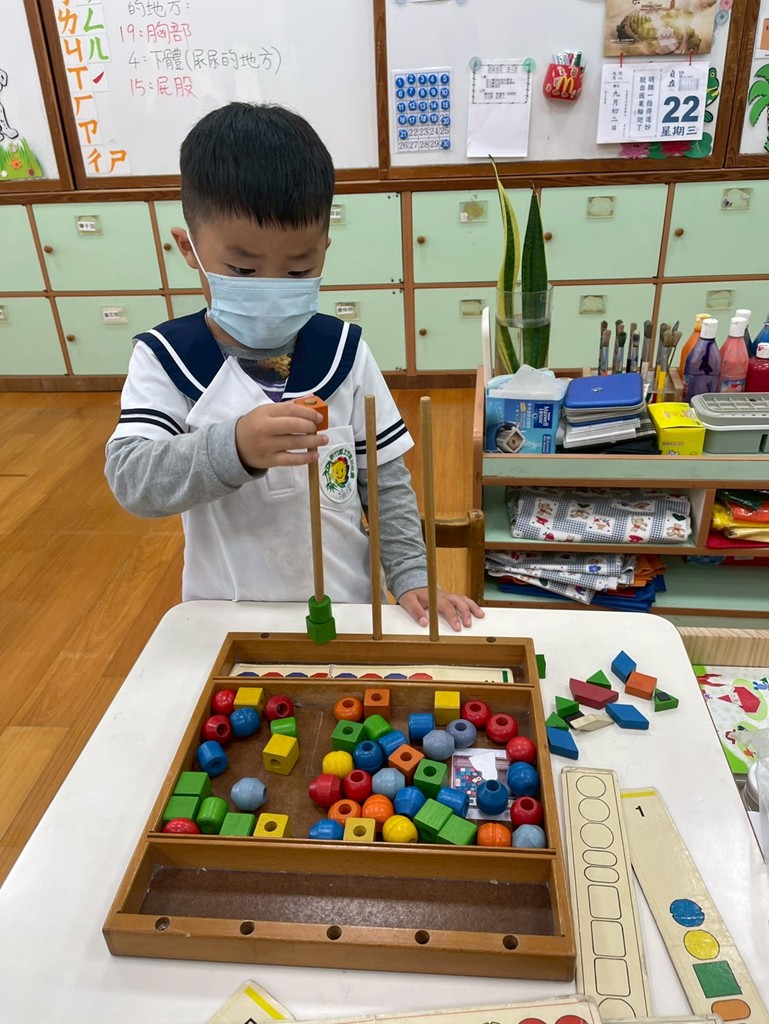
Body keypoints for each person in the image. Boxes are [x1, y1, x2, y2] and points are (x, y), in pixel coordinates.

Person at [105, 102, 483, 631]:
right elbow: (132, 479)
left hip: (348, 606)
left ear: (324, 248)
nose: (272, 287)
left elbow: (384, 480)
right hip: (227, 618)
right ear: (189, 248)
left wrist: (411, 573)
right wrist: (234, 447)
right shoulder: (167, 358)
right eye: (243, 268)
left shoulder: (344, 352)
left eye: (300, 269)